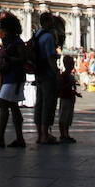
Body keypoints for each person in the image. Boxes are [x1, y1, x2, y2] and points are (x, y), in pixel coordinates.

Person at [0, 14, 28, 148]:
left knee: (4, 104)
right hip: (9, 77)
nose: (3, 31)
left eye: (4, 29)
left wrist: (9, 58)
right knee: (13, 107)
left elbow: (23, 60)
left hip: (15, 77)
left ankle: (1, 138)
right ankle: (20, 138)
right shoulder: (10, 42)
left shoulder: (18, 43)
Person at [31, 11, 61, 145]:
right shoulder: (48, 37)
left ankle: (39, 134)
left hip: (38, 71)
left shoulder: (37, 34)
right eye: (51, 21)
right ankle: (45, 135)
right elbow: (50, 57)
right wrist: (56, 72)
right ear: (48, 22)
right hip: (47, 72)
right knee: (48, 103)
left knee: (40, 102)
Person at [57, 54, 82, 143]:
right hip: (65, 98)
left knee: (68, 117)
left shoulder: (70, 76)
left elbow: (71, 88)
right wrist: (69, 84)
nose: (72, 66)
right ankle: (63, 134)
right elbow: (61, 87)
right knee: (64, 117)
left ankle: (66, 134)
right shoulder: (64, 75)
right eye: (71, 64)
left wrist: (76, 93)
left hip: (70, 98)